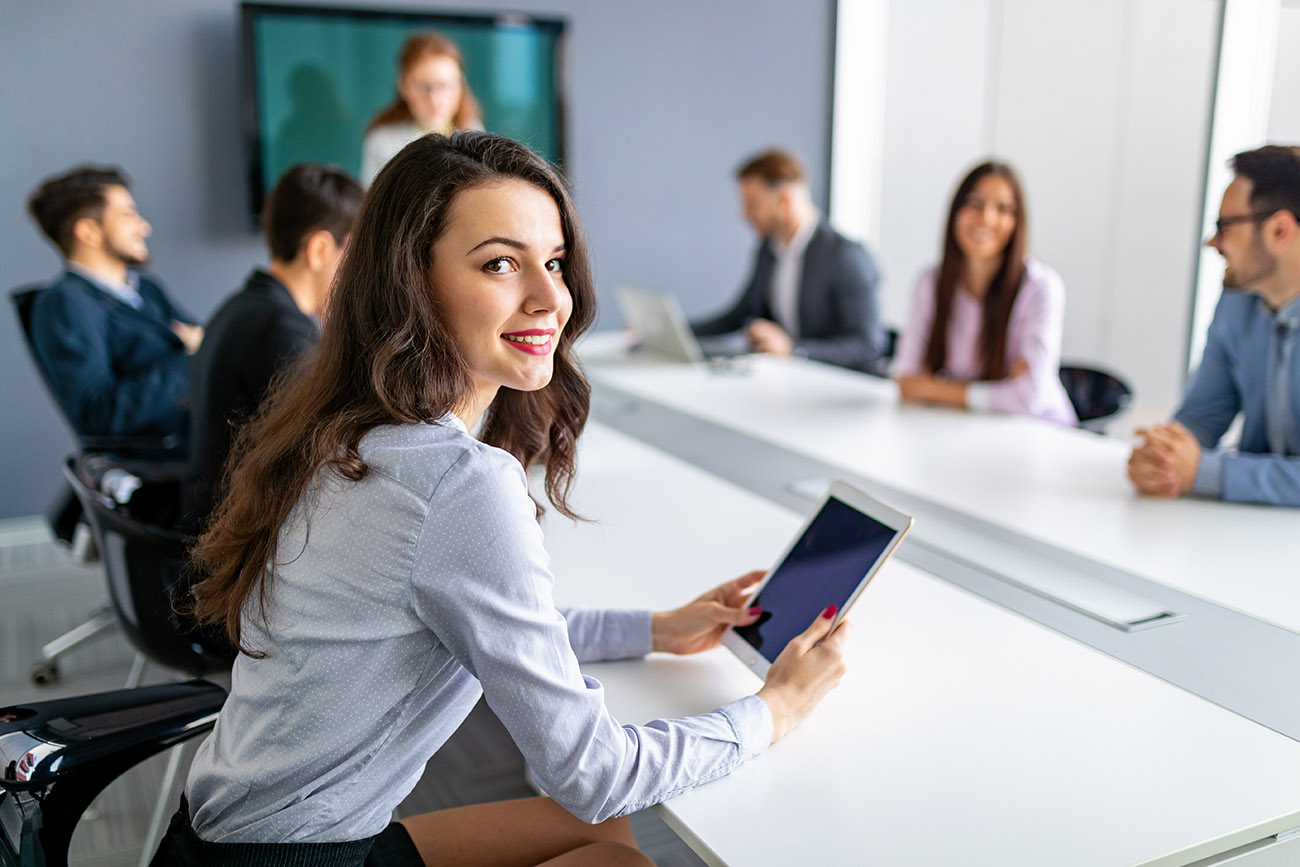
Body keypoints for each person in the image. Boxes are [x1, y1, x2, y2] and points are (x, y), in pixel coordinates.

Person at [151, 132, 849, 866]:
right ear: (410, 282)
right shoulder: (455, 483)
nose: (552, 297)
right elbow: (594, 773)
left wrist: (657, 628)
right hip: (292, 855)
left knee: (597, 840)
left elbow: (491, 623)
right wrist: (774, 711)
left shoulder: (346, 428)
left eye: (552, 262)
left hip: (218, 831)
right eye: (501, 263)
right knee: (621, 856)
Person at [185, 164, 364, 529]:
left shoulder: (244, 306)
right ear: (319, 249)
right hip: (242, 541)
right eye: (356, 254)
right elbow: (327, 447)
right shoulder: (280, 331)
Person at [1128, 145, 1300, 507]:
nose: (1212, 242)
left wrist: (1206, 473)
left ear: (1279, 230)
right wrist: (1163, 457)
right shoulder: (1237, 301)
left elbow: (1202, 468)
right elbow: (1202, 415)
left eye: (1225, 226)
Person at [892, 161, 1077, 425]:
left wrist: (933, 388)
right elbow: (906, 379)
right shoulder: (931, 282)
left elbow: (1028, 398)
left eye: (1003, 209)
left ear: (1017, 222)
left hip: (1039, 432)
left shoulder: (1040, 287)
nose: (986, 218)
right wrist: (998, 393)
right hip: (966, 426)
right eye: (976, 204)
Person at [26, 165, 202, 439]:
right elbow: (100, 414)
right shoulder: (65, 303)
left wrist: (199, 350)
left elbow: (204, 340)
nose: (144, 227)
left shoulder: (146, 288)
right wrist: (193, 359)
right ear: (88, 232)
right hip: (169, 459)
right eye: (128, 215)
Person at [690, 149, 888, 373]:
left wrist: (795, 350)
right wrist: (675, 331)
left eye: (753, 204)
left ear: (784, 200)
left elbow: (868, 346)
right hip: (788, 381)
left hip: (837, 386)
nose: (744, 214)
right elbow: (738, 315)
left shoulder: (845, 256)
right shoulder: (768, 250)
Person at [360, 31, 483, 186]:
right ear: (404, 86)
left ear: (460, 85)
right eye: (424, 87)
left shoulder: (475, 134)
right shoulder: (382, 142)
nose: (434, 99)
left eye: (445, 86)